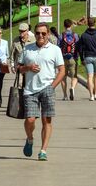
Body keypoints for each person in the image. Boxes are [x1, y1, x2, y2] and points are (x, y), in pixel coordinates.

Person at [18, 22, 65, 161]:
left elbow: (62, 70)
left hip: (47, 88)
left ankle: (43, 150)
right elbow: (19, 68)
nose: (40, 36)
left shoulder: (55, 49)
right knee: (30, 120)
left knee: (46, 120)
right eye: (38, 33)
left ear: (48, 34)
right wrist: (28, 67)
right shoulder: (28, 48)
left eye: (43, 33)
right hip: (30, 90)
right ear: (35, 33)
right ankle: (30, 138)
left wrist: (53, 85)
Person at [77, 17, 96, 101]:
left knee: (89, 77)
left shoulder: (84, 35)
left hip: (87, 57)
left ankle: (91, 95)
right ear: (95, 23)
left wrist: (82, 58)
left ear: (87, 24)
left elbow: (80, 48)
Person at [59, 19, 79, 101]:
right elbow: (78, 46)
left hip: (63, 58)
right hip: (73, 58)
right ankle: (72, 87)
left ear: (64, 26)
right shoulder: (75, 35)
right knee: (74, 76)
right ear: (71, 25)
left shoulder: (61, 36)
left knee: (63, 77)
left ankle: (65, 95)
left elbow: (58, 47)